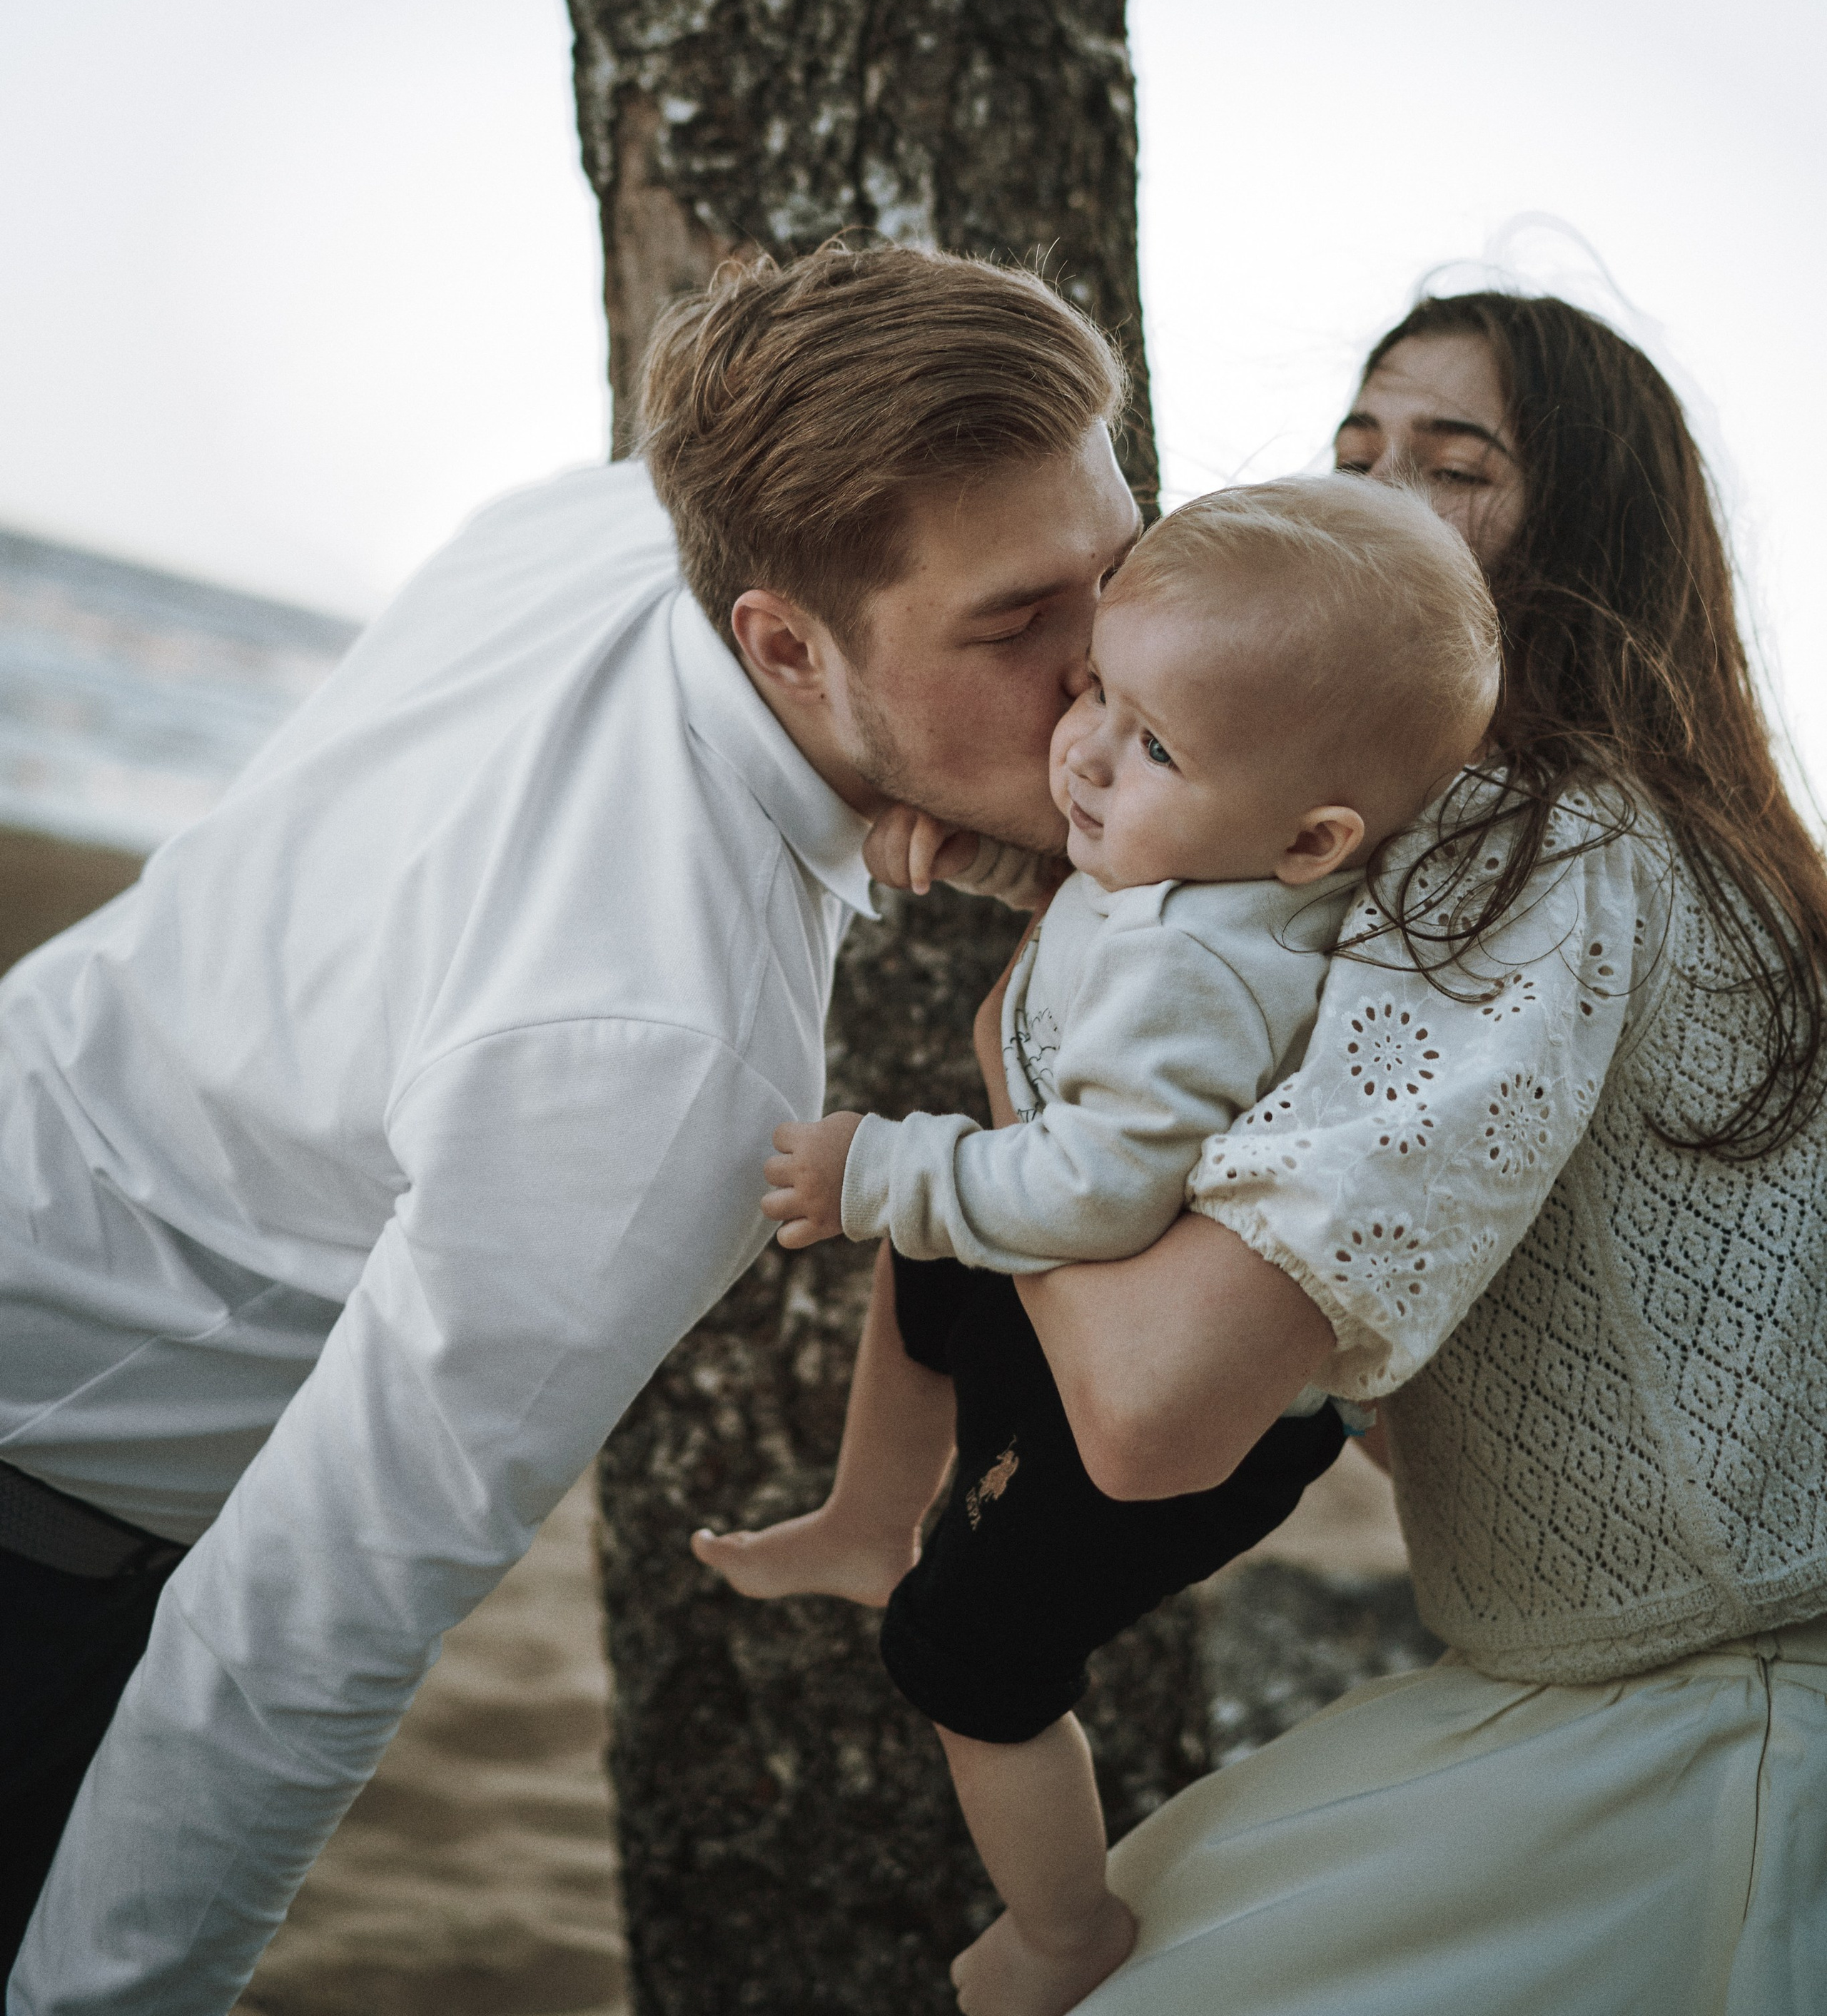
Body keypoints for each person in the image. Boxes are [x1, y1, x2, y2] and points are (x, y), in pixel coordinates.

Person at [0, 242, 1145, 2012]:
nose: (1104, 679)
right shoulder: (665, 1058)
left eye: (1117, 573)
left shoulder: (604, 522)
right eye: (1014, 627)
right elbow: (295, 1634)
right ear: (781, 640)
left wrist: (1043, 849)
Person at [985, 293, 1827, 2016]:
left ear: (1589, 543)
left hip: (1687, 1750)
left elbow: (1152, 1409)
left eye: (1454, 469)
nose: (1374, 496)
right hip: (1659, 1689)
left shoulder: (1524, 860)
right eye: (1354, 447)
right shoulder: (1691, 852)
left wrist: (1019, 1028)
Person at [696, 473, 1501, 2016]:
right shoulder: (1197, 863)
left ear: (1311, 838)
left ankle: (1065, 1930)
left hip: (1173, 1423)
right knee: (935, 1271)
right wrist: (1009, 867)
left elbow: (1095, 1192)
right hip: (1080, 1309)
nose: (1079, 748)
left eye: (1147, 744)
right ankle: (869, 1516)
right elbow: (1096, 907)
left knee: (966, 1655)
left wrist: (884, 1166)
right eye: (1089, 692)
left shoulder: (1204, 975)